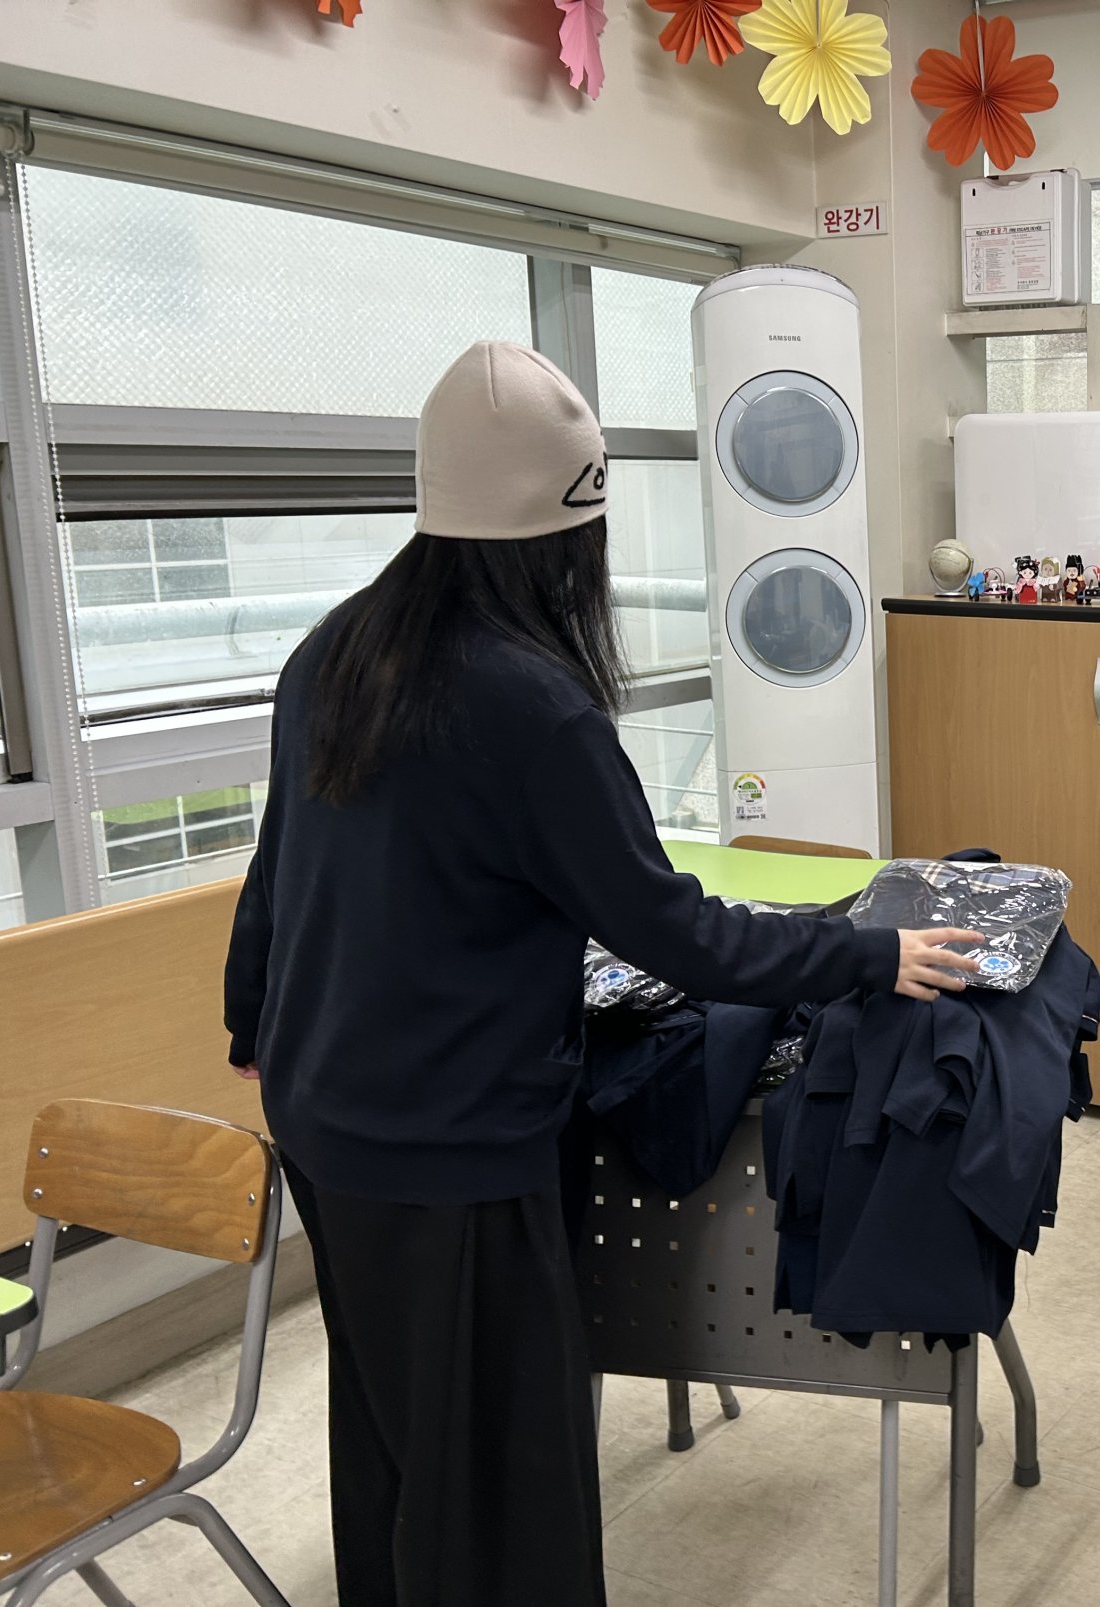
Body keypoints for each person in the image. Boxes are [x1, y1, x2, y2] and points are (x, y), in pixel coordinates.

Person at [223, 342, 979, 1607]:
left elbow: (275, 870)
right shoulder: (531, 705)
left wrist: (253, 1018)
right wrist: (868, 950)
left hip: (322, 1111)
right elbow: (676, 934)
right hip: (452, 1139)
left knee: (395, 1426)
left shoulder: (338, 648)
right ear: (567, 535)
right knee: (498, 1476)